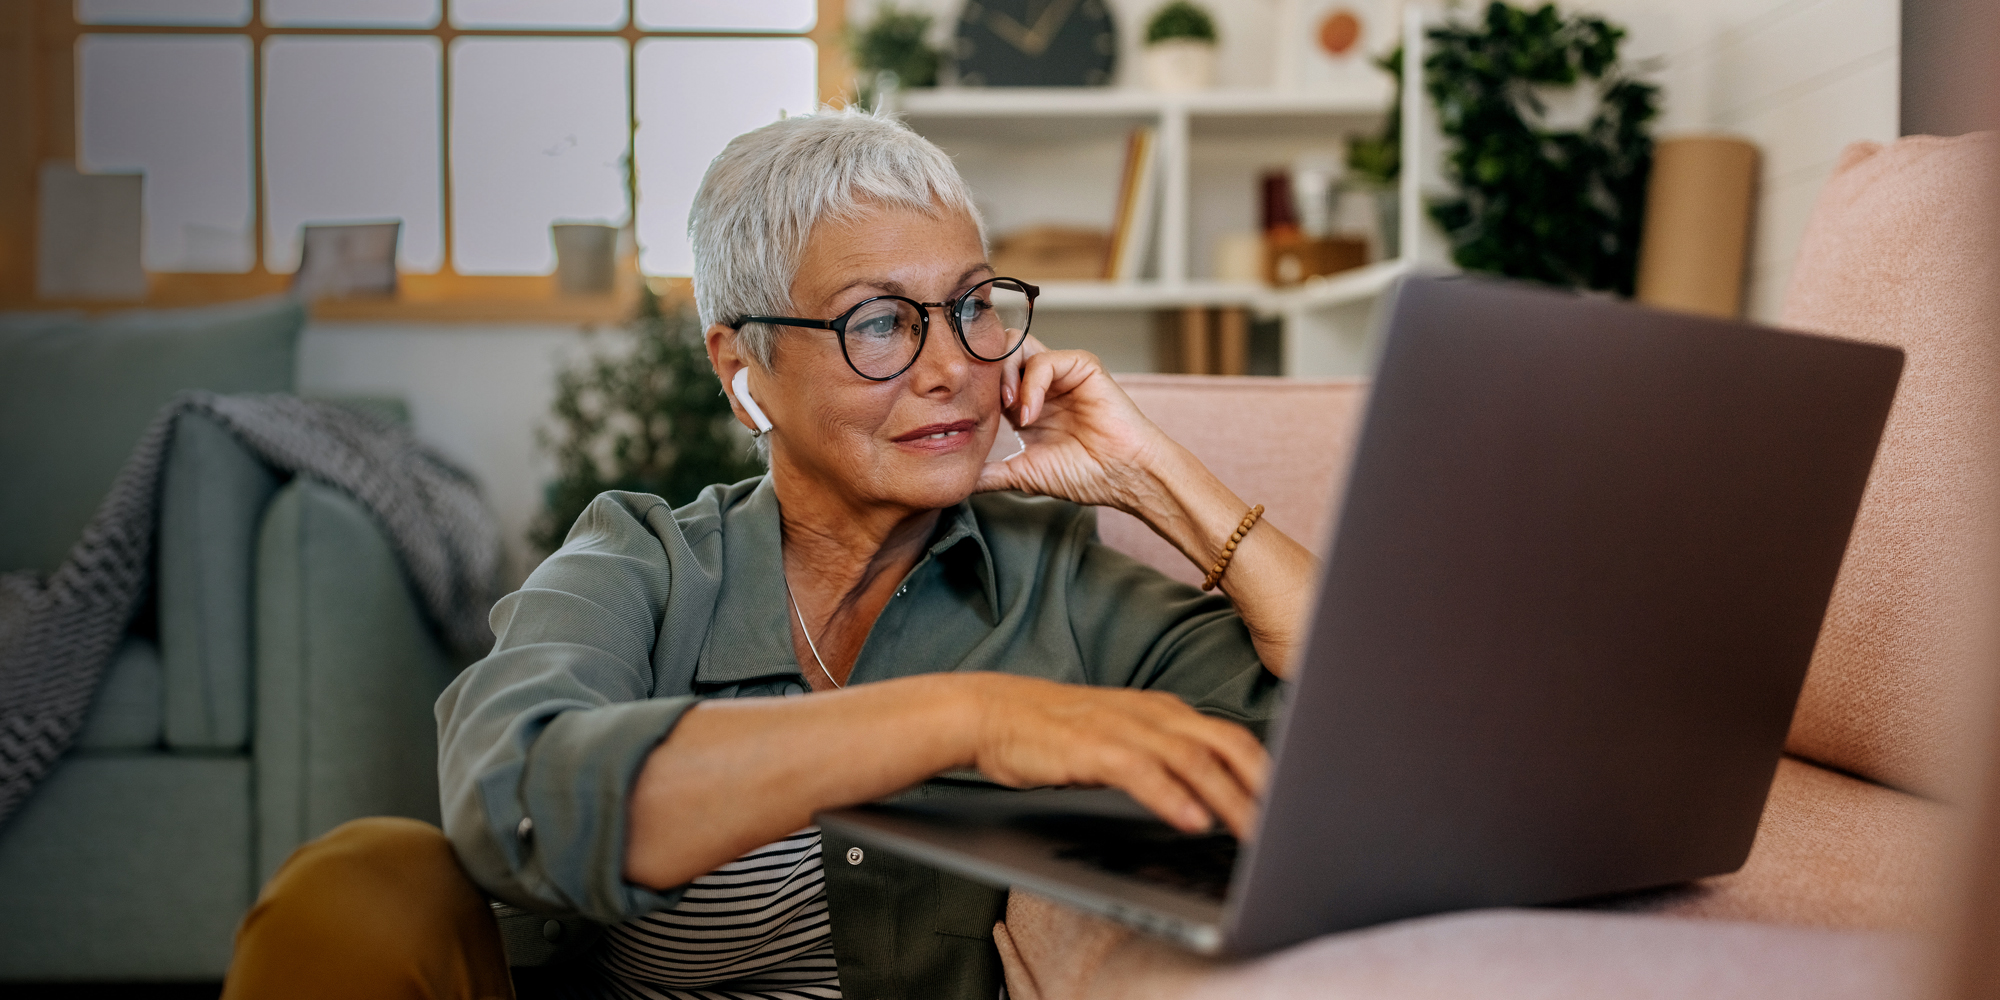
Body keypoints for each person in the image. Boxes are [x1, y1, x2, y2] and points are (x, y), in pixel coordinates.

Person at [221, 107, 1319, 1000]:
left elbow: (1362, 742)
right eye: (879, 322)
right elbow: (519, 802)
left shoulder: (1060, 581)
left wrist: (1155, 478)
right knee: (360, 880)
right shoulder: (643, 563)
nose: (950, 367)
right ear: (743, 369)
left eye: (972, 307)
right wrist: (967, 718)